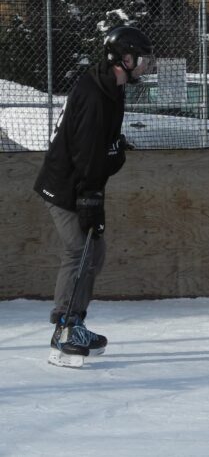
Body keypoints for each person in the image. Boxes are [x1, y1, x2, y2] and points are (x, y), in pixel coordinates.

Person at [34, 26, 153, 368]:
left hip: (81, 182)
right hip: (65, 186)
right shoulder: (95, 94)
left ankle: (76, 323)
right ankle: (65, 331)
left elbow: (102, 147)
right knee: (79, 250)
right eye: (141, 59)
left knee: (94, 251)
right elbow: (86, 154)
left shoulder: (111, 87)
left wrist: (115, 151)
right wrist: (89, 199)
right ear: (124, 59)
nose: (144, 65)